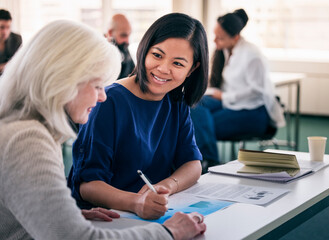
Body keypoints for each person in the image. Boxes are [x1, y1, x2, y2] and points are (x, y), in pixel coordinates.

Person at [0, 19, 206, 240]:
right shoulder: (26, 139)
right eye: (97, 85)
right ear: (61, 80)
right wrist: (168, 232)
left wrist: (69, 216)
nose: (102, 95)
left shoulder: (29, 132)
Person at [68, 13, 209, 220]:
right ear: (144, 50)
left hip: (152, 213)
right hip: (107, 218)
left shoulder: (176, 101)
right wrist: (136, 202)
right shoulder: (108, 101)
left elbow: (192, 164)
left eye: (178, 64)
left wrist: (167, 186)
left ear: (192, 69)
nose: (163, 69)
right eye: (157, 55)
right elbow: (87, 186)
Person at [190, 9, 285, 166]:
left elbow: (257, 91)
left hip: (253, 111)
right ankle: (208, 160)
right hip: (231, 102)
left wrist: (225, 97)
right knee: (194, 105)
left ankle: (210, 162)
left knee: (201, 124)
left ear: (235, 37)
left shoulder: (252, 55)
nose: (214, 41)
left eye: (219, 38)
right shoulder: (228, 50)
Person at [107, 13, 135, 79]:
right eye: (123, 35)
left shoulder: (123, 47)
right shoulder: (102, 52)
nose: (127, 41)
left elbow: (134, 73)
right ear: (110, 33)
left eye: (129, 35)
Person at [0, 9, 22, 74]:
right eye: (2, 27)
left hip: (11, 77)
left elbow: (19, 62)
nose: (5, 32)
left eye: (8, 27)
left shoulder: (16, 39)